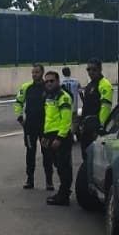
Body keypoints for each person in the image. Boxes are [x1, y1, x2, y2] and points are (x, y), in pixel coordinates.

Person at [41, 71, 75, 206]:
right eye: (47, 81)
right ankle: (62, 193)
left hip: (61, 137)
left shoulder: (63, 97)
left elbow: (66, 120)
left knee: (64, 166)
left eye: (52, 81)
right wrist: (45, 135)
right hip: (50, 134)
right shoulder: (49, 96)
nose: (49, 83)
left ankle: (64, 195)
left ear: (58, 81)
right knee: (58, 165)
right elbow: (49, 118)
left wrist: (59, 138)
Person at [15, 64, 49, 190]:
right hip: (30, 126)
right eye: (33, 72)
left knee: (47, 153)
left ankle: (49, 181)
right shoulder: (26, 87)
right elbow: (18, 102)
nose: (34, 74)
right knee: (30, 153)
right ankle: (30, 179)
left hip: (45, 126)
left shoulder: (48, 87)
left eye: (37, 72)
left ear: (42, 73)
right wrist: (20, 118)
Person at [59, 67, 81, 134]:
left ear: (63, 73)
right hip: (74, 105)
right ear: (70, 72)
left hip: (65, 105)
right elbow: (80, 92)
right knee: (74, 121)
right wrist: (84, 101)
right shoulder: (76, 81)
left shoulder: (60, 82)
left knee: (65, 120)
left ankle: (67, 133)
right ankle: (72, 133)